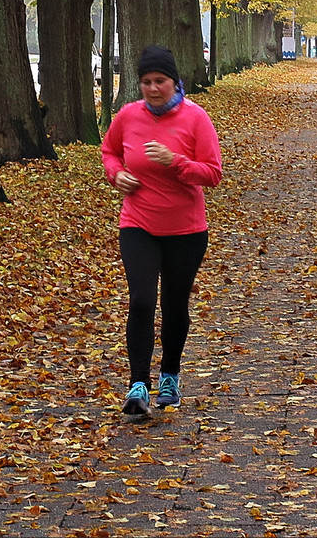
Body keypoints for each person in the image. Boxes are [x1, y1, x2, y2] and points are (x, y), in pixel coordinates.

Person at [100, 45, 223, 419]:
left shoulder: (195, 119)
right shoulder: (128, 116)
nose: (153, 89)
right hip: (138, 222)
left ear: (175, 82)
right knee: (140, 300)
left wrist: (177, 163)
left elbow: (213, 172)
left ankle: (170, 374)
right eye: (146, 82)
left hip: (186, 228)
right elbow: (109, 151)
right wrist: (116, 174)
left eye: (161, 81)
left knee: (173, 305)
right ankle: (138, 384)